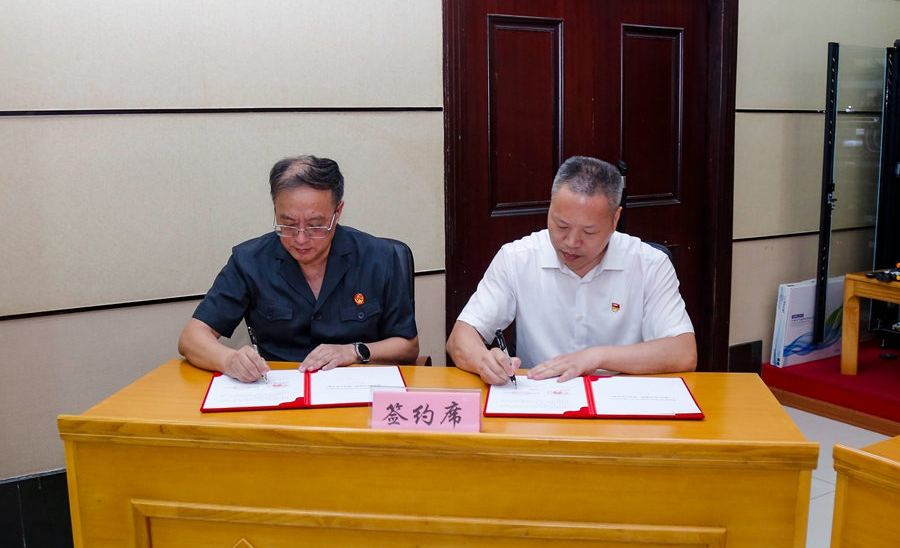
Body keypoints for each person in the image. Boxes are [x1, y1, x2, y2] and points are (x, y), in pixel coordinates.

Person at [446, 156, 696, 385]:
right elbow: (460, 338)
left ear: (615, 219)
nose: (572, 242)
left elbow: (684, 352)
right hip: (540, 397)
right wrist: (484, 362)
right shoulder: (517, 258)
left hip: (620, 400)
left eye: (589, 231)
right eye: (561, 225)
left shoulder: (649, 264)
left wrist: (595, 357)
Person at [179, 155, 419, 382]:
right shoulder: (249, 260)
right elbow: (191, 337)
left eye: (316, 226)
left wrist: (353, 352)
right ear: (275, 211)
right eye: (289, 224)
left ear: (337, 213)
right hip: (277, 390)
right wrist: (229, 360)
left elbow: (408, 347)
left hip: (354, 387)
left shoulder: (378, 257)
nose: (301, 239)